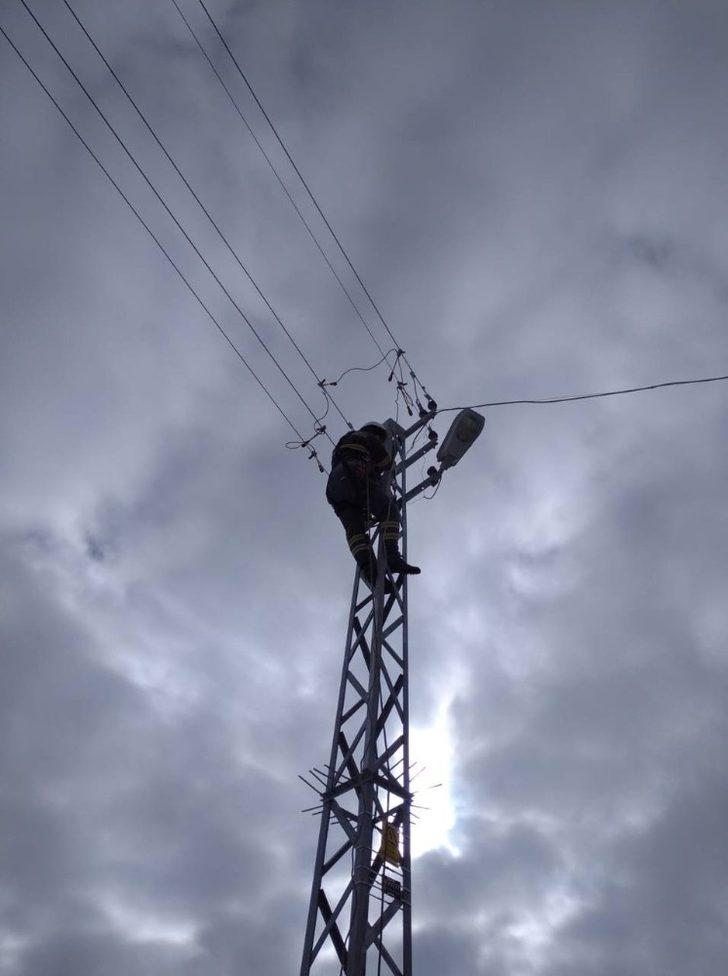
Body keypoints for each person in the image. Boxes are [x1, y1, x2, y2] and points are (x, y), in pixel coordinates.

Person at [326, 421, 421, 590]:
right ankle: (392, 557)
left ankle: (371, 573)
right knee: (388, 511)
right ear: (377, 434)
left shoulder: (344, 442)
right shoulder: (369, 437)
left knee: (355, 531)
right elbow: (387, 464)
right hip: (356, 473)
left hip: (335, 486)